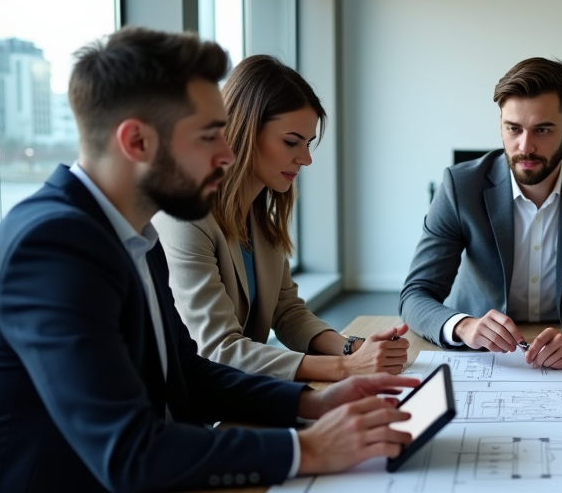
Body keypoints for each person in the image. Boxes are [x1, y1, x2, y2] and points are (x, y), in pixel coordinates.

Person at [0, 27, 416, 493]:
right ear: (137, 142)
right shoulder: (53, 246)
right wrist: (307, 447)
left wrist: (313, 401)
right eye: (209, 136)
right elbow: (130, 450)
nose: (227, 152)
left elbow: (187, 374)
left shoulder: (134, 237)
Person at [154, 55, 407, 381]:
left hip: (241, 395)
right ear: (242, 131)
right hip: (192, 414)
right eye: (291, 142)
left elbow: (286, 312)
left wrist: (350, 348)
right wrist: (347, 368)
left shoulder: (259, 214)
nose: (305, 159)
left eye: (308, 143)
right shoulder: (185, 219)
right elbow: (219, 350)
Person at [400, 57, 562, 369]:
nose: (525, 146)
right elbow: (416, 294)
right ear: (500, 123)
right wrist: (465, 326)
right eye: (513, 129)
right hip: (478, 352)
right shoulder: (459, 187)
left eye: (542, 129)